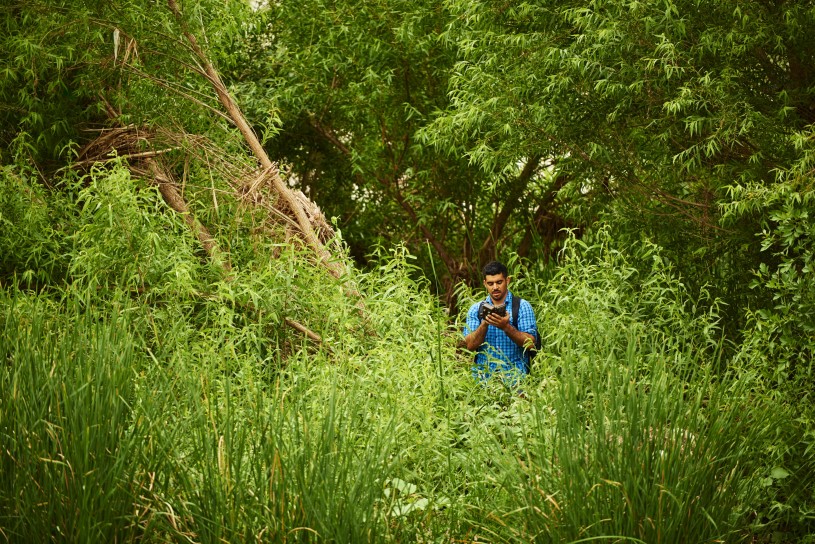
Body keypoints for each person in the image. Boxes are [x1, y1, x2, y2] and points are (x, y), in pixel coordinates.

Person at [462, 261, 539, 382]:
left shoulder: (522, 306)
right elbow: (469, 345)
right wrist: (484, 323)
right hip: (483, 378)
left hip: (516, 377)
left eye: (499, 282)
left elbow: (531, 344)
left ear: (507, 281)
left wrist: (506, 327)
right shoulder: (475, 309)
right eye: (490, 283)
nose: (495, 287)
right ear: (485, 284)